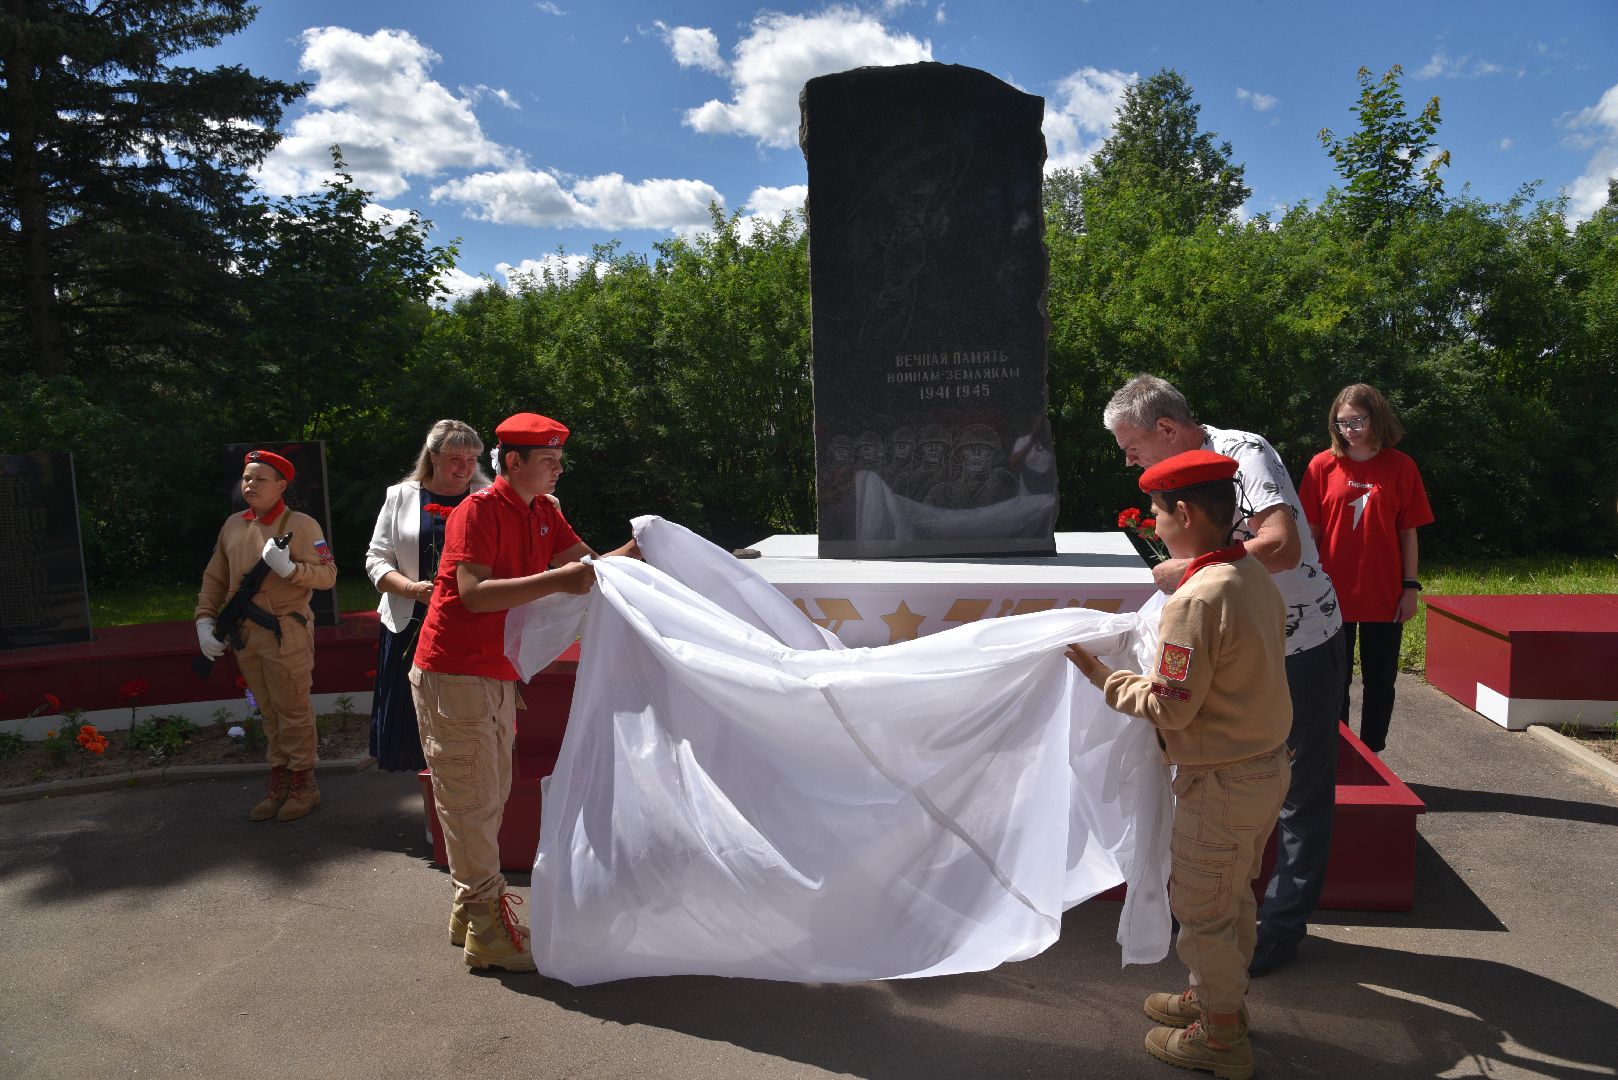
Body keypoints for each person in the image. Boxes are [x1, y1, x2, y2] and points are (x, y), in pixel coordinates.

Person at [1103, 374, 1345, 978]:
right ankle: (1221, 912)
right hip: (1239, 646)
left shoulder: (1242, 454)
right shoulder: (1182, 477)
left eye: (1132, 445)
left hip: (1299, 640)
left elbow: (1282, 545)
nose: (1127, 458)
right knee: (1224, 775)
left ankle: (1279, 929)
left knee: (1299, 789)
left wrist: (1194, 567)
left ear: (1166, 428)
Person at [1067, 449, 1290, 1080]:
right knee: (1233, 897)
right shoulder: (1250, 576)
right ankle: (1217, 999)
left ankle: (1222, 1039)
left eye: (1160, 514)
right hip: (1262, 770)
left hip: (1219, 780)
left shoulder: (1196, 599)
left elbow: (1170, 707)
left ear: (1184, 513)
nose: (1156, 526)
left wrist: (1100, 675)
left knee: (1201, 913)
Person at [409, 411, 639, 973]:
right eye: (549, 462)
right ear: (513, 463)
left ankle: (472, 912)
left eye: (561, 461)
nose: (559, 471)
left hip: (493, 673)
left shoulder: (542, 513)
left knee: (487, 792)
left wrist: (647, 546)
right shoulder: (478, 511)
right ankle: (486, 930)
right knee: (472, 797)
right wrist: (560, 580)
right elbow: (473, 595)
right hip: (456, 675)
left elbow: (590, 568)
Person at [195, 449, 338, 821]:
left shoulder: (301, 524)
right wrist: (204, 621)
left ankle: (304, 785)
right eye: (246, 478)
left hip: (284, 631)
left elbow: (327, 575)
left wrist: (290, 570)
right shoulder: (233, 525)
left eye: (259, 478)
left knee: (292, 709)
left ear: (281, 485)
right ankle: (280, 782)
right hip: (246, 634)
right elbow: (215, 578)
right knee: (268, 712)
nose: (250, 484)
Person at [1299, 384, 1433, 754]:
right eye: (1342, 423)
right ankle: (1337, 754)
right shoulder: (1322, 465)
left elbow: (1408, 533)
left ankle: (1373, 753)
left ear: (1377, 418)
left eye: (1358, 420)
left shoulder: (1402, 467)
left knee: (1380, 680)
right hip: (1330, 594)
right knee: (1333, 681)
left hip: (1384, 593)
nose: (1350, 429)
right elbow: (1309, 532)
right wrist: (1303, 583)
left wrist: (1410, 587)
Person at [365, 420, 490, 773]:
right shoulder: (400, 496)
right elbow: (376, 557)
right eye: (455, 459)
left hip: (470, 625)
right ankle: (430, 805)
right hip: (409, 622)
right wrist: (412, 589)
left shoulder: (487, 497)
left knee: (463, 714)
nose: (465, 468)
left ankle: (461, 786)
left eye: (471, 460)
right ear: (433, 456)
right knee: (411, 717)